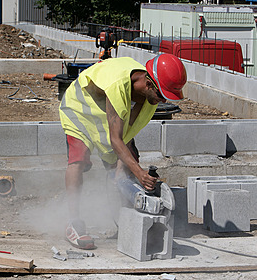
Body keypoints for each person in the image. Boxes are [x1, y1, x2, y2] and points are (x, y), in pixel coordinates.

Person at [59, 54, 187, 249]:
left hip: (103, 114)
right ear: (149, 83)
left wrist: (122, 170)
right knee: (78, 159)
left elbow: (126, 135)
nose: (162, 101)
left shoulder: (147, 98)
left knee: (126, 166)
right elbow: (116, 139)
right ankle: (73, 223)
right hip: (80, 108)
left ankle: (127, 222)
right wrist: (139, 173)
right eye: (162, 95)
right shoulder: (118, 86)